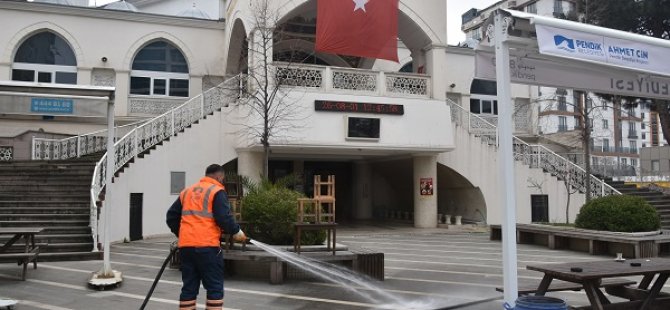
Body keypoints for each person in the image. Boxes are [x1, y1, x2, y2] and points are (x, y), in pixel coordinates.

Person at [166, 164, 246, 310]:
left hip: (186, 248)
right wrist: (236, 231)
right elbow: (223, 217)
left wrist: (183, 234)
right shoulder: (217, 191)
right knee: (214, 288)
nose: (222, 181)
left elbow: (171, 216)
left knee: (189, 288)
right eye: (222, 179)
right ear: (218, 177)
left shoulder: (187, 191)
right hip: (207, 248)